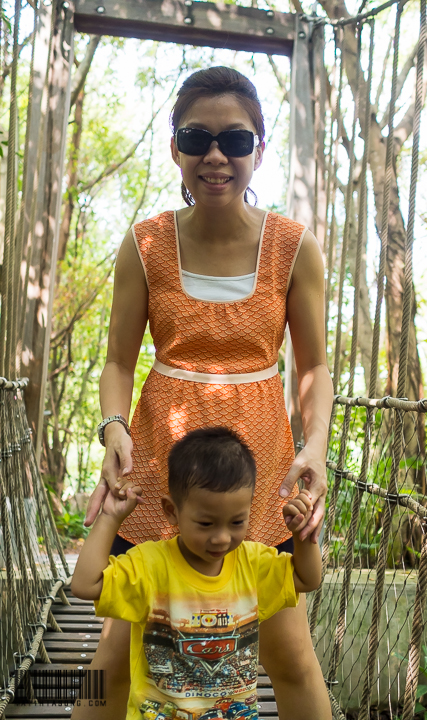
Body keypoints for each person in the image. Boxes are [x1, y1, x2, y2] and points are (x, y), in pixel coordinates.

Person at [78, 66, 334, 720]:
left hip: (260, 470)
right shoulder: (145, 246)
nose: (215, 155)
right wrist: (114, 429)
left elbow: (313, 370)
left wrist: (317, 450)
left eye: (236, 140)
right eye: (197, 137)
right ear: (175, 149)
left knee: (290, 653)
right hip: (162, 464)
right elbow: (116, 360)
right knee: (109, 658)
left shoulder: (293, 248)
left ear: (259, 151)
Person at [72, 428, 322, 720]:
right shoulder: (151, 566)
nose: (221, 538)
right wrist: (110, 517)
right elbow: (85, 585)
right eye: (206, 524)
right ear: (171, 511)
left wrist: (303, 537)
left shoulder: (253, 565)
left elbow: (308, 579)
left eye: (237, 522)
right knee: (110, 663)